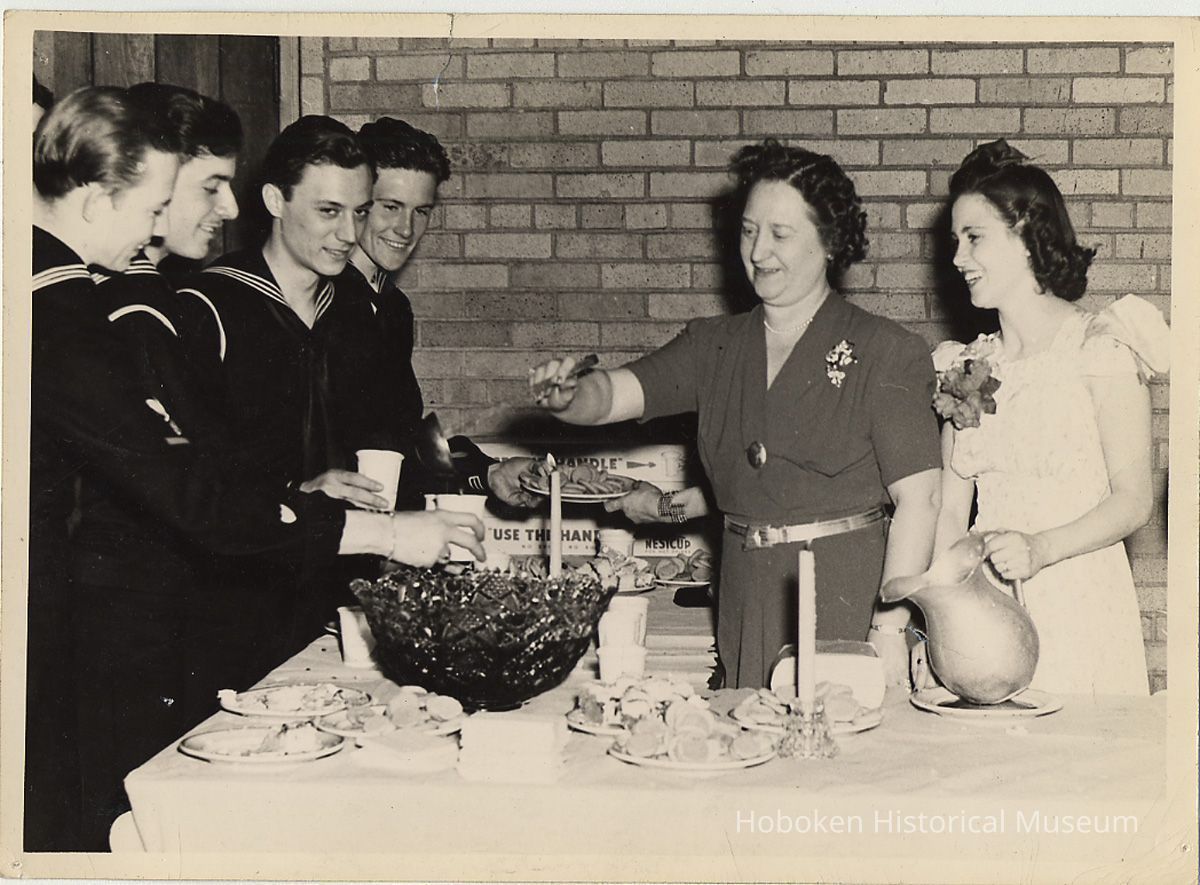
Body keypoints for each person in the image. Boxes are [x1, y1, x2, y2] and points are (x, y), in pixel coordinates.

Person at [31, 87, 483, 851]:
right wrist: (388, 533)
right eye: (163, 201)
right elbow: (192, 492)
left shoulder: (89, 288)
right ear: (100, 193)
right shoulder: (80, 303)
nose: (213, 211)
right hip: (114, 623)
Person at [530, 139, 942, 689]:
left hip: (847, 604)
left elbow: (922, 498)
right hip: (745, 599)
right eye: (748, 231)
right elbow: (620, 392)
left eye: (780, 234)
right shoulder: (714, 345)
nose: (758, 251)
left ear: (829, 242)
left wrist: (888, 632)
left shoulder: (885, 349)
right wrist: (569, 396)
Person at [932, 139, 1168, 697]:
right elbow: (947, 512)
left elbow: (1134, 500)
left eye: (974, 238)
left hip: (1079, 599)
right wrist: (938, 615)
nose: (958, 258)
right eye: (955, 242)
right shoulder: (966, 365)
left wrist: (1041, 548)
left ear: (1026, 236)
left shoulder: (1101, 348)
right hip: (985, 614)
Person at [344, 116, 536, 507]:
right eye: (391, 207)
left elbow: (403, 438)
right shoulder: (315, 300)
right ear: (357, 203)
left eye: (421, 211)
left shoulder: (393, 308)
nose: (405, 229)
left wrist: (486, 471)